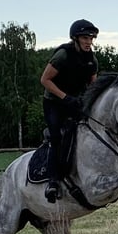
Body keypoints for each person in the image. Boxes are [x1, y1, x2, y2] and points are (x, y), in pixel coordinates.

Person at [39, 18, 99, 203]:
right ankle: (52, 181)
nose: (89, 42)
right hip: (54, 102)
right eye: (85, 38)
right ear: (76, 38)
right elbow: (45, 80)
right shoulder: (63, 55)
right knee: (57, 137)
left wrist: (89, 104)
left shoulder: (91, 60)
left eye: (91, 38)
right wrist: (65, 97)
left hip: (75, 102)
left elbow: (93, 86)